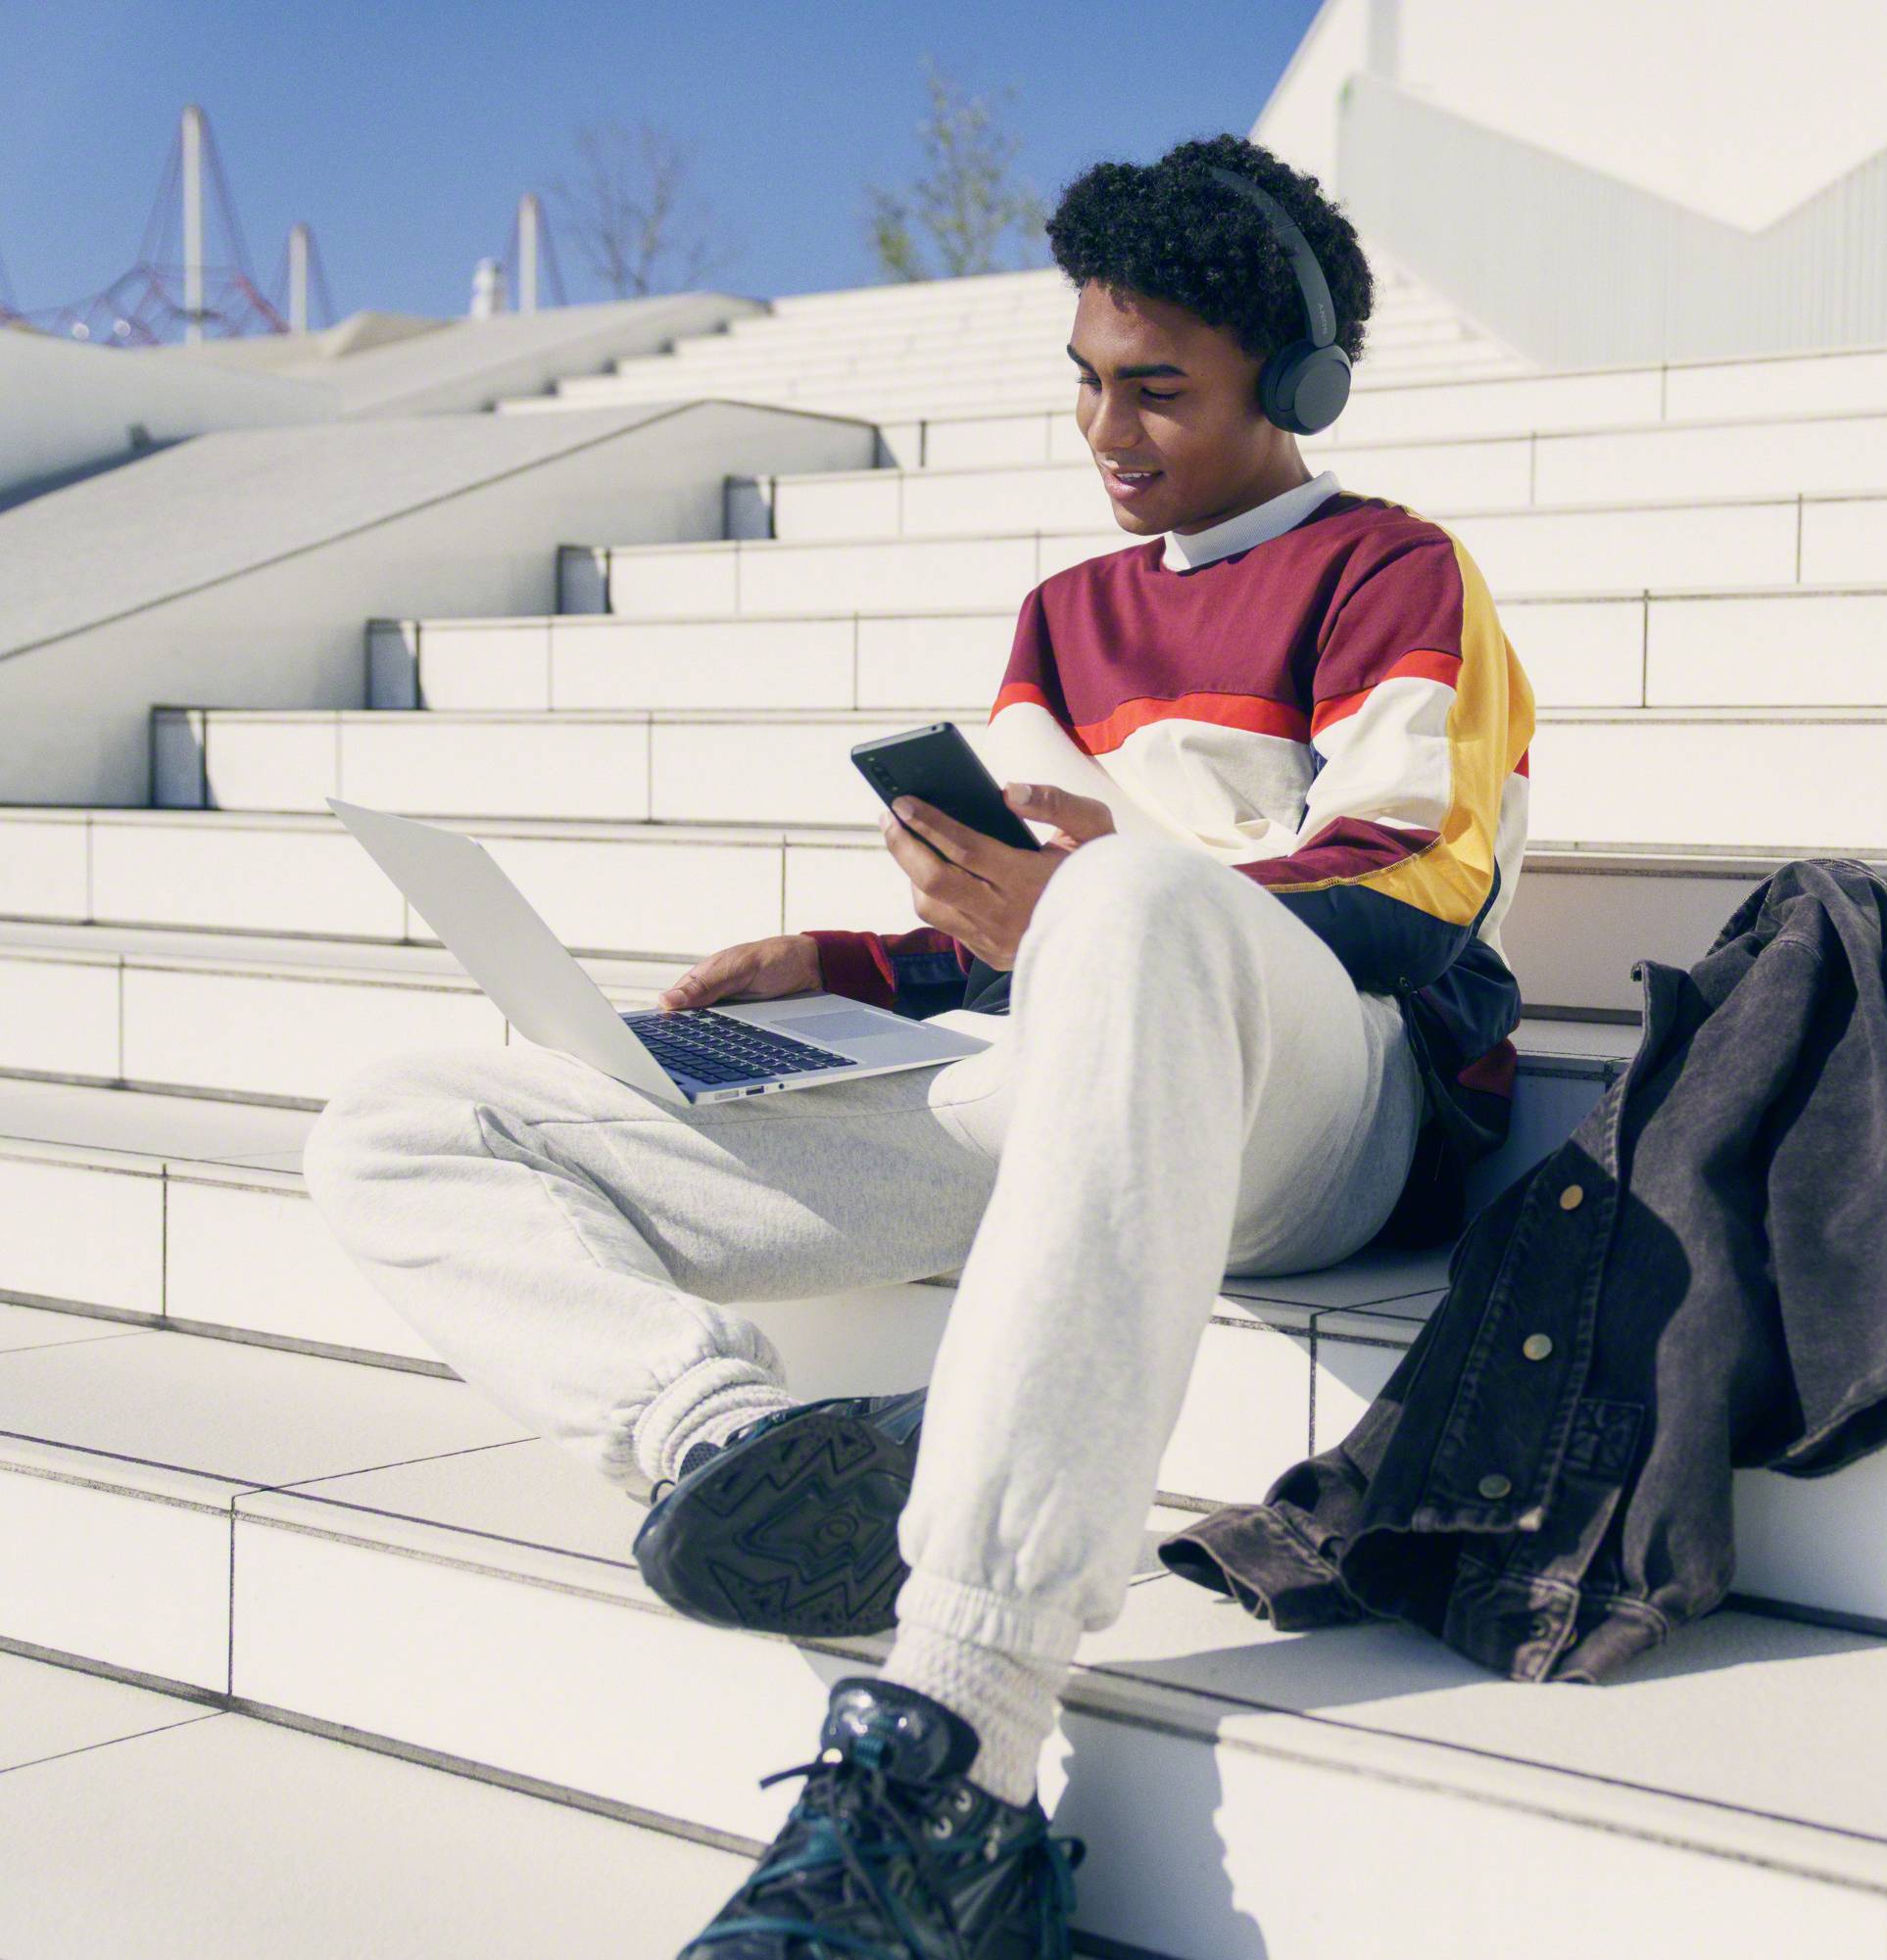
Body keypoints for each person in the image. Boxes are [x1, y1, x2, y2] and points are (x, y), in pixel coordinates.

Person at [302, 132, 1534, 1960]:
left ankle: (957, 1735)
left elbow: (1424, 882)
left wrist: (1110, 900)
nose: (1112, 438)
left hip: (1328, 1107)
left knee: (1127, 904)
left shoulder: (1393, 570)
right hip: (1067, 1074)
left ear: (1296, 385)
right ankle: (730, 1444)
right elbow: (1024, 924)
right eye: (1089, 389)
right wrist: (858, 960)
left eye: (1160, 394)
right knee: (404, 1117)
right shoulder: (1067, 615)